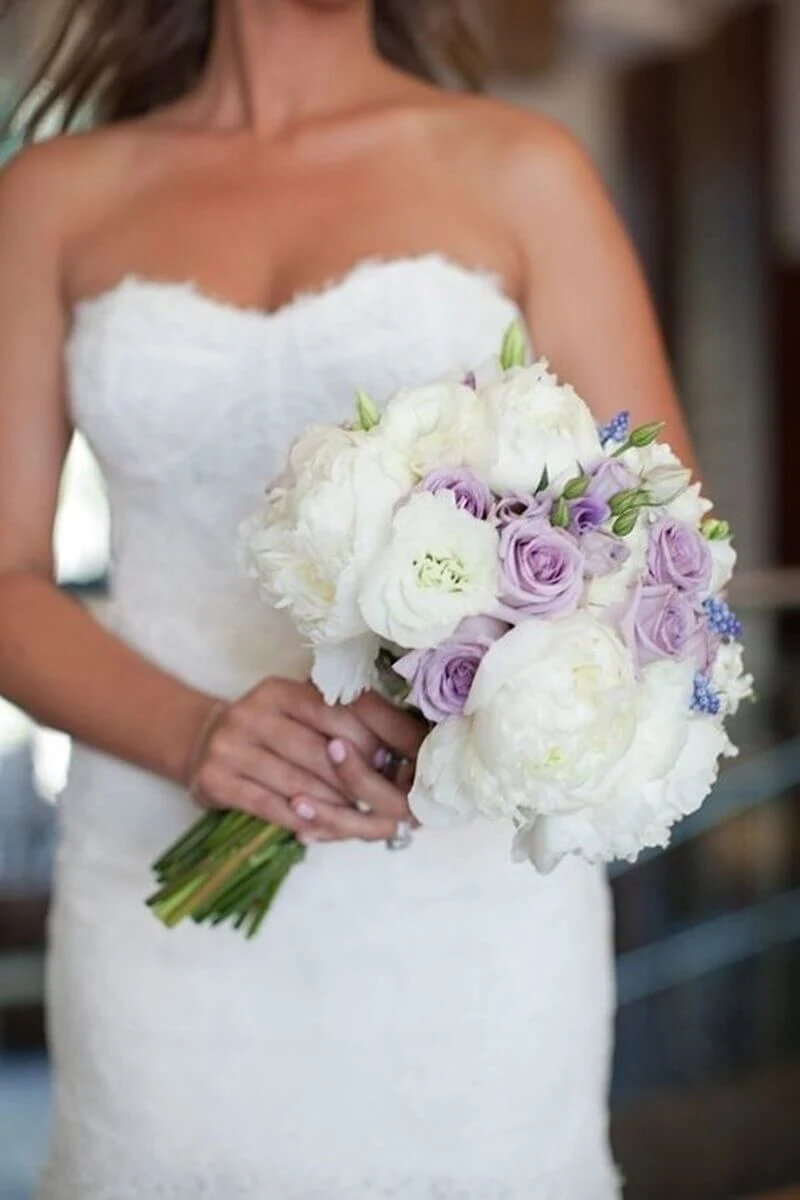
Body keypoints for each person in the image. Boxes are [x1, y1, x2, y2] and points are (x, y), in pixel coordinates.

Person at [0, 1, 693, 1196]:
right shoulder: (53, 195)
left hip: (460, 917)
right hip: (160, 908)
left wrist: (463, 689)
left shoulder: (523, 171)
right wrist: (195, 733)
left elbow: (657, 548)